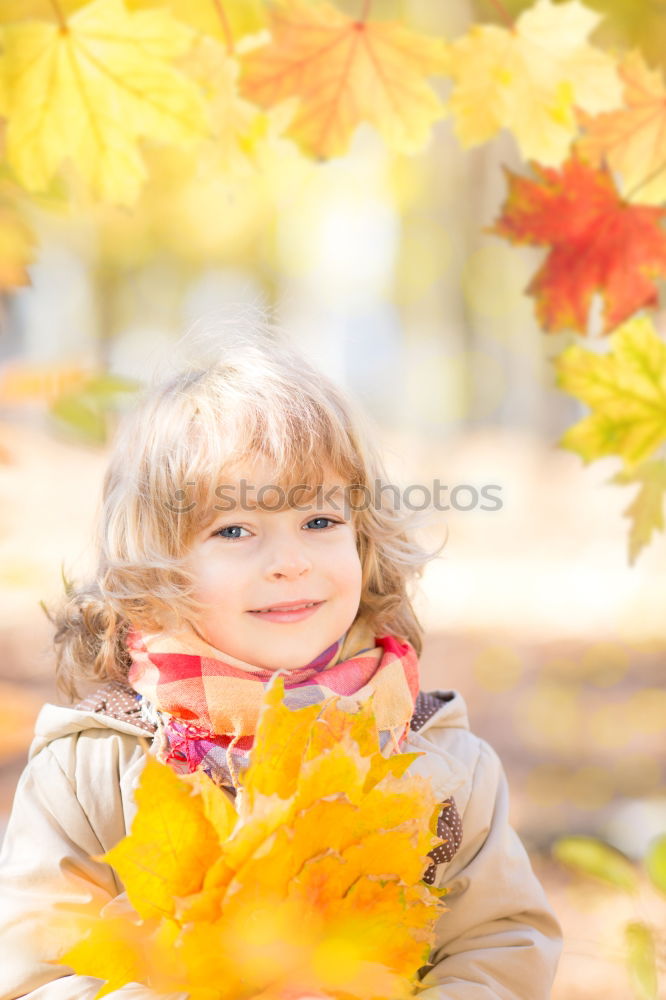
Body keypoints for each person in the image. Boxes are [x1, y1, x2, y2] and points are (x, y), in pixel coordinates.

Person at [0, 336, 562, 1000]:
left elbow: (498, 944)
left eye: (319, 520)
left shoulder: (441, 763)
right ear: (156, 568)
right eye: (234, 531)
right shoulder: (92, 769)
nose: (289, 561)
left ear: (364, 537)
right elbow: (40, 973)